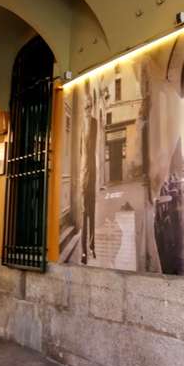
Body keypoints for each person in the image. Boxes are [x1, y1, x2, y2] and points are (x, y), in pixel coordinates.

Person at [80, 94, 98, 264]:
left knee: (92, 213)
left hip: (91, 172)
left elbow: (93, 148)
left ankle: (92, 247)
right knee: (84, 213)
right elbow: (81, 151)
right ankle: (83, 251)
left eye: (89, 106)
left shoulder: (94, 122)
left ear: (92, 107)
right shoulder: (81, 126)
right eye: (85, 107)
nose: (87, 110)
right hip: (83, 174)